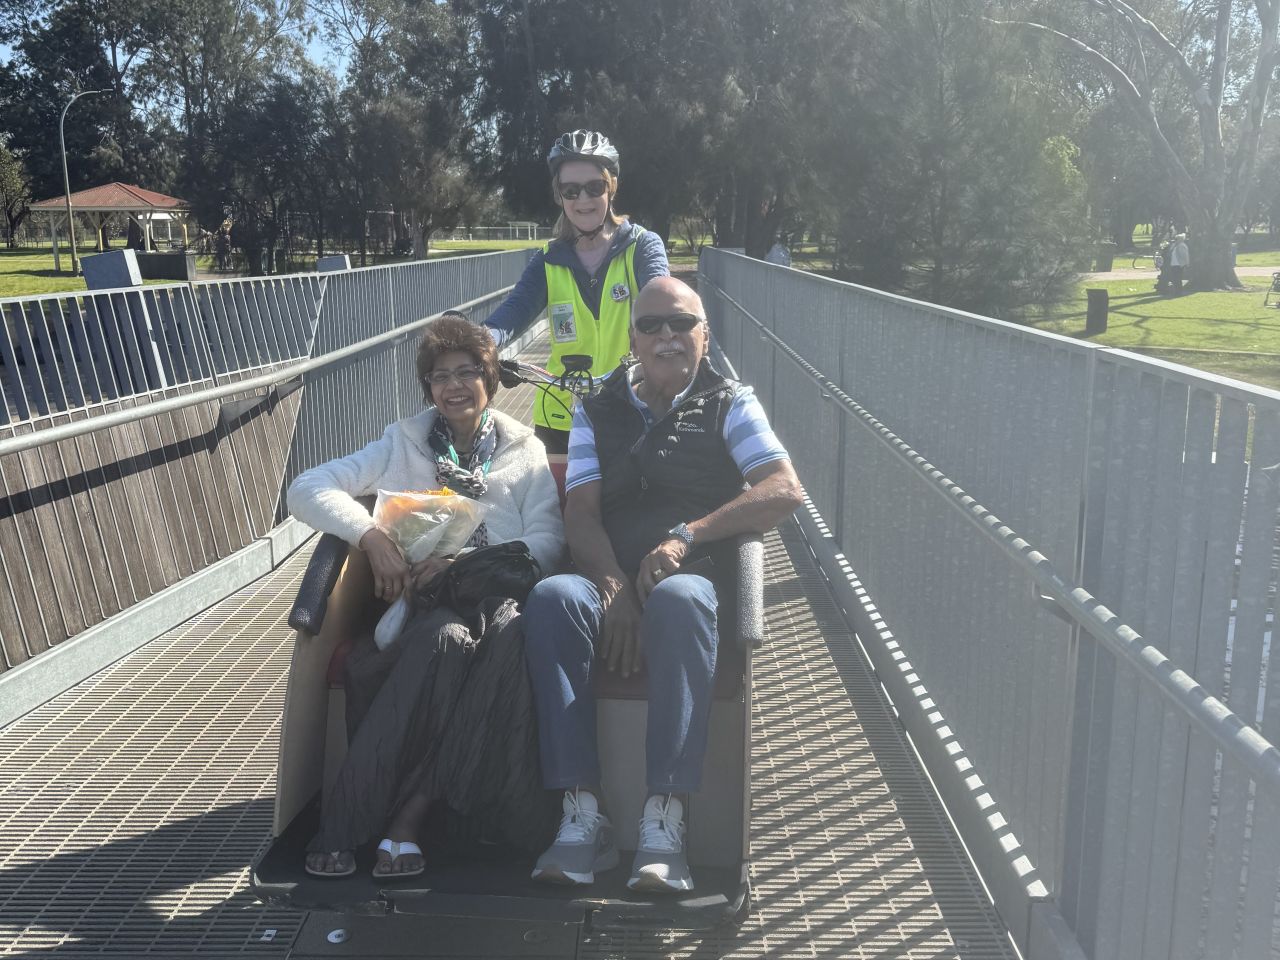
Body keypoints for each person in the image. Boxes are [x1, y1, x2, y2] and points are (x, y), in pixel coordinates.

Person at [522, 277, 804, 893]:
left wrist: (686, 536)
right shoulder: (597, 409)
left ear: (705, 333)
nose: (667, 336)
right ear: (633, 340)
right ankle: (582, 811)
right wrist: (614, 587)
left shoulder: (730, 403)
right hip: (610, 573)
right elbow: (581, 513)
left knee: (678, 599)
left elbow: (783, 490)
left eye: (682, 323)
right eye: (651, 325)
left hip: (692, 576)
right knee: (552, 598)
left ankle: (665, 817)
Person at [287, 312, 564, 880]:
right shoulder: (403, 443)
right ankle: (394, 822)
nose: (454, 386)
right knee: (446, 641)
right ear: (428, 387)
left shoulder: (524, 450)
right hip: (426, 603)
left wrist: (467, 565)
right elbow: (307, 487)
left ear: (489, 379)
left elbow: (548, 541)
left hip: (499, 601)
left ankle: (392, 822)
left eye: (467, 373)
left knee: (491, 642)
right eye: (440, 376)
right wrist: (371, 537)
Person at [484, 130, 670, 453]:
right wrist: (479, 340)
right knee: (555, 486)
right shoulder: (548, 259)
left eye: (594, 187)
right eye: (571, 190)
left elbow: (660, 295)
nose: (582, 200)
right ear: (559, 196)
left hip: (629, 407)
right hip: (560, 416)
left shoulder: (641, 246)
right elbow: (515, 311)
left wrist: (659, 322)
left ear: (611, 186)